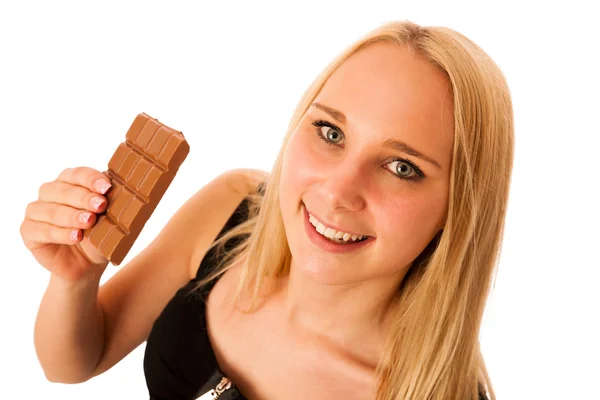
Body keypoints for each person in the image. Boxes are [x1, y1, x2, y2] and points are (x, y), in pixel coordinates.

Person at [21, 20, 513, 400]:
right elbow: (72, 364)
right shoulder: (232, 210)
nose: (338, 191)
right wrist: (75, 279)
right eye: (331, 132)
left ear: (461, 209)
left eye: (402, 167)